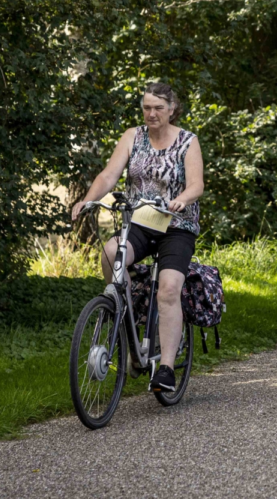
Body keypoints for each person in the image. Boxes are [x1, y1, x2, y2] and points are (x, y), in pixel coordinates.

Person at [70, 82, 204, 395]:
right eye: (147, 107)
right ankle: (126, 324)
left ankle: (167, 369)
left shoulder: (188, 141)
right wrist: (87, 200)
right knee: (109, 253)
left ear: (171, 109)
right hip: (141, 221)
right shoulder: (133, 136)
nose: (152, 113)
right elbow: (108, 175)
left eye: (158, 107)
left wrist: (182, 198)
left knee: (169, 288)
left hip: (176, 225)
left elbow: (197, 184)